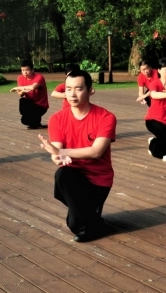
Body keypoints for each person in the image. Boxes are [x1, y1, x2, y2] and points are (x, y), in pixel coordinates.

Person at [38, 70, 116, 243]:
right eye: (68, 89)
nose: (72, 94)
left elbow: (96, 152)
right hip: (74, 176)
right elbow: (56, 150)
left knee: (74, 223)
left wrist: (62, 152)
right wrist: (56, 156)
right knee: (62, 174)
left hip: (98, 180)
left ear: (90, 90)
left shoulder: (106, 117)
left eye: (78, 89)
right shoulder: (56, 119)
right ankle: (95, 220)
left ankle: (91, 217)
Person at [11, 59, 49, 129]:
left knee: (27, 120)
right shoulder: (20, 78)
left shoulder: (39, 77)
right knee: (22, 101)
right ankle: (36, 123)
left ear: (32, 70)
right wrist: (23, 90)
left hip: (41, 106)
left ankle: (36, 122)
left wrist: (18, 88)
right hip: (30, 104)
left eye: (27, 70)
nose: (25, 72)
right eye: (23, 70)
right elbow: (20, 94)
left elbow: (33, 87)